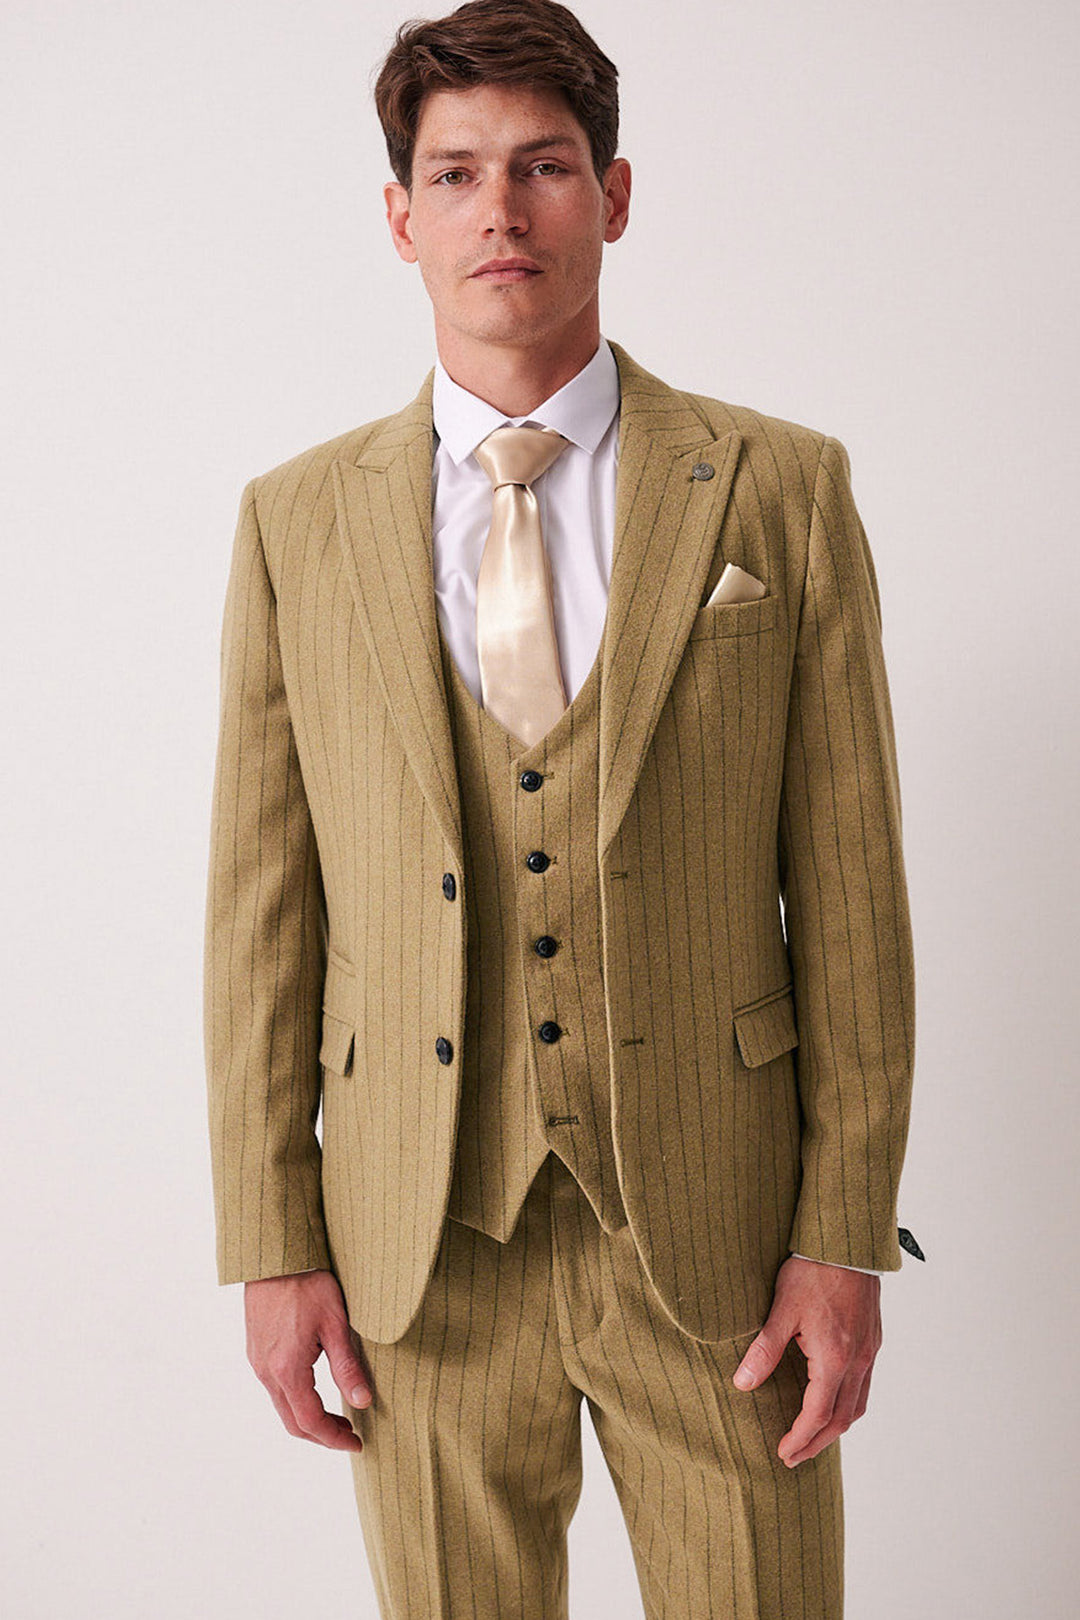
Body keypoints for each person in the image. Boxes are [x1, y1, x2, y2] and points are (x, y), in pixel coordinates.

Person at [203, 1, 922, 1613]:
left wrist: (843, 1235)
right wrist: (271, 1239)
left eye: (542, 166)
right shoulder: (295, 524)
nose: (501, 210)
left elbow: (855, 888)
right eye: (456, 175)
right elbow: (263, 912)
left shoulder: (777, 489)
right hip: (419, 1248)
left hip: (726, 1245)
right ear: (402, 218)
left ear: (613, 190)